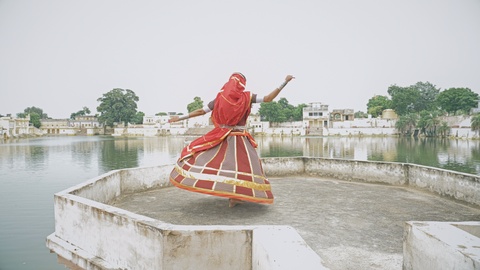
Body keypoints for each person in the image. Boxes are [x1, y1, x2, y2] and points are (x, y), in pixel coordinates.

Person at [169, 73, 295, 207]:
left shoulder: (219, 98)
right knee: (246, 167)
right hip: (240, 139)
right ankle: (234, 197)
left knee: (222, 165)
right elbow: (268, 98)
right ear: (242, 84)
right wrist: (284, 82)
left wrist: (180, 118)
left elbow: (201, 111)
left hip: (223, 137)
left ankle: (233, 196)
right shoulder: (247, 97)